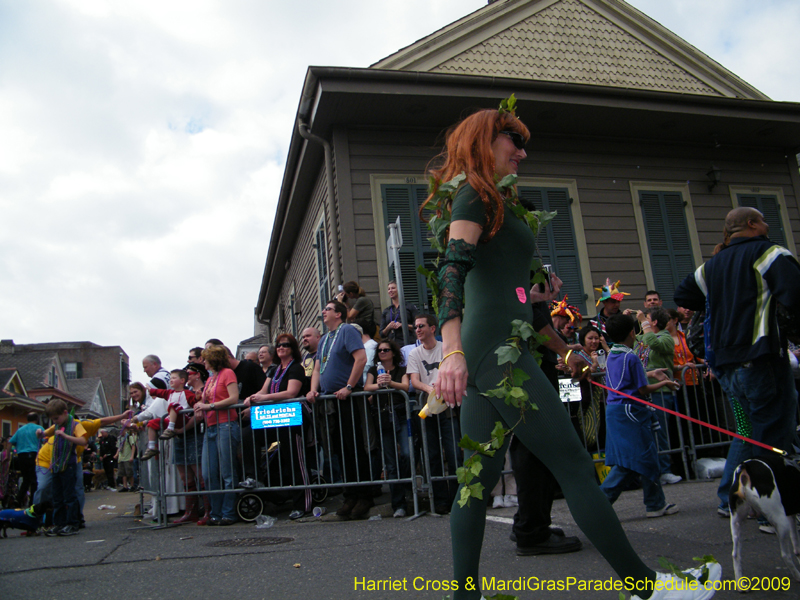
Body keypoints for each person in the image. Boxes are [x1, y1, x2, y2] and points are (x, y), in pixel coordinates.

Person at [428, 105, 720, 599]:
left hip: (497, 347)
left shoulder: (497, 201)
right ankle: (648, 589)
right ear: (484, 142)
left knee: (475, 484)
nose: (521, 152)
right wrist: (451, 351)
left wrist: (553, 331)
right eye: (512, 141)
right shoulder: (473, 196)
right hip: (492, 352)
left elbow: (506, 290)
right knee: (574, 466)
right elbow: (451, 271)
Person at [674, 207, 800, 521]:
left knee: (748, 433)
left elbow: (683, 294)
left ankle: (728, 498)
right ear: (752, 224)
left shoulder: (712, 267)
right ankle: (772, 513)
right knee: (773, 437)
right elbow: (796, 294)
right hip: (760, 360)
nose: (768, 224)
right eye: (764, 219)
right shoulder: (769, 253)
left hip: (727, 367)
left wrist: (724, 297)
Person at [600, 313, 682, 516]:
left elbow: (626, 379)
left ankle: (655, 503)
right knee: (635, 459)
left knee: (640, 458)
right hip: (631, 411)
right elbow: (642, 389)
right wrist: (664, 383)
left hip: (615, 411)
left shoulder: (613, 354)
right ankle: (599, 505)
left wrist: (652, 373)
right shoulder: (631, 356)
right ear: (632, 332)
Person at [306, 300, 372, 519]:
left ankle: (364, 496)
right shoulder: (324, 339)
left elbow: (360, 359)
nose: (323, 311)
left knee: (354, 447)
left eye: (328, 309)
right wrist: (313, 390)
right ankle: (349, 495)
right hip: (329, 401)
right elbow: (317, 368)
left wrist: (349, 386)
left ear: (339, 314)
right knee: (339, 450)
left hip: (347, 399)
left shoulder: (348, 331)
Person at [245, 333, 312, 519]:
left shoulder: (296, 368)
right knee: (249, 435)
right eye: (279, 345)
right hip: (275, 418)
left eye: (286, 345)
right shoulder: (274, 370)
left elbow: (291, 392)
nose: (281, 348)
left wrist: (263, 398)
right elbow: (263, 390)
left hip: (293, 417)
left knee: (295, 459)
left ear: (292, 349)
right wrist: (250, 398)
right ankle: (254, 477)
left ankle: (303, 504)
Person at [407, 314, 462, 513]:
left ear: (433, 328)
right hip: (427, 408)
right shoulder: (414, 353)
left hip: (449, 407)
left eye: (421, 326)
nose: (418, 330)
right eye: (415, 327)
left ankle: (458, 498)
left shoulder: (444, 348)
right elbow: (414, 380)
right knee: (432, 455)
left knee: (454, 452)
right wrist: (429, 389)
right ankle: (440, 500)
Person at [193, 344, 240, 525]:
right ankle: (216, 512)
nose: (202, 361)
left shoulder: (227, 373)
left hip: (225, 425)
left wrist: (209, 406)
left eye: (205, 358)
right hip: (211, 427)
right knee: (209, 473)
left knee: (227, 471)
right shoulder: (211, 378)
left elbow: (233, 397)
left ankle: (228, 512)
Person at [636, 307, 682, 485]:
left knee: (660, 432)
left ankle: (665, 469)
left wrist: (643, 323)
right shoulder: (644, 337)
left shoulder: (666, 338)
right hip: (645, 390)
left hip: (661, 393)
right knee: (646, 433)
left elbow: (652, 342)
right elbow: (635, 344)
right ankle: (651, 471)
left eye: (647, 319)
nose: (644, 321)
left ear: (654, 322)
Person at [364, 338, 410, 518]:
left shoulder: (401, 369)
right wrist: (380, 384)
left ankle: (407, 484)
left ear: (393, 352)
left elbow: (406, 386)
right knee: (391, 463)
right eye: (380, 350)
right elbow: (367, 386)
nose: (382, 352)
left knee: (407, 453)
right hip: (382, 416)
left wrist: (390, 383)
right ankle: (399, 504)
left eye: (386, 350)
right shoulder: (373, 370)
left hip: (400, 413)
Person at [43, 399, 87, 536]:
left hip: (69, 464)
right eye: (52, 419)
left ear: (65, 413)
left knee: (69, 495)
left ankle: (72, 523)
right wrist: (41, 433)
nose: (55, 421)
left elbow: (83, 441)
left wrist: (66, 436)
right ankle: (59, 523)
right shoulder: (57, 425)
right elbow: (47, 432)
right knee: (57, 496)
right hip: (56, 465)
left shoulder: (75, 425)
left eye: (56, 418)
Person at [9, 413, 43, 507]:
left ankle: (18, 499)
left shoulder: (20, 430)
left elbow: (11, 442)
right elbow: (45, 440)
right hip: (33, 454)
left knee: (25, 479)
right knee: (34, 480)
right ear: (36, 419)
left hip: (21, 456)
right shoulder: (39, 428)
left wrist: (9, 456)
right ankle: (32, 502)